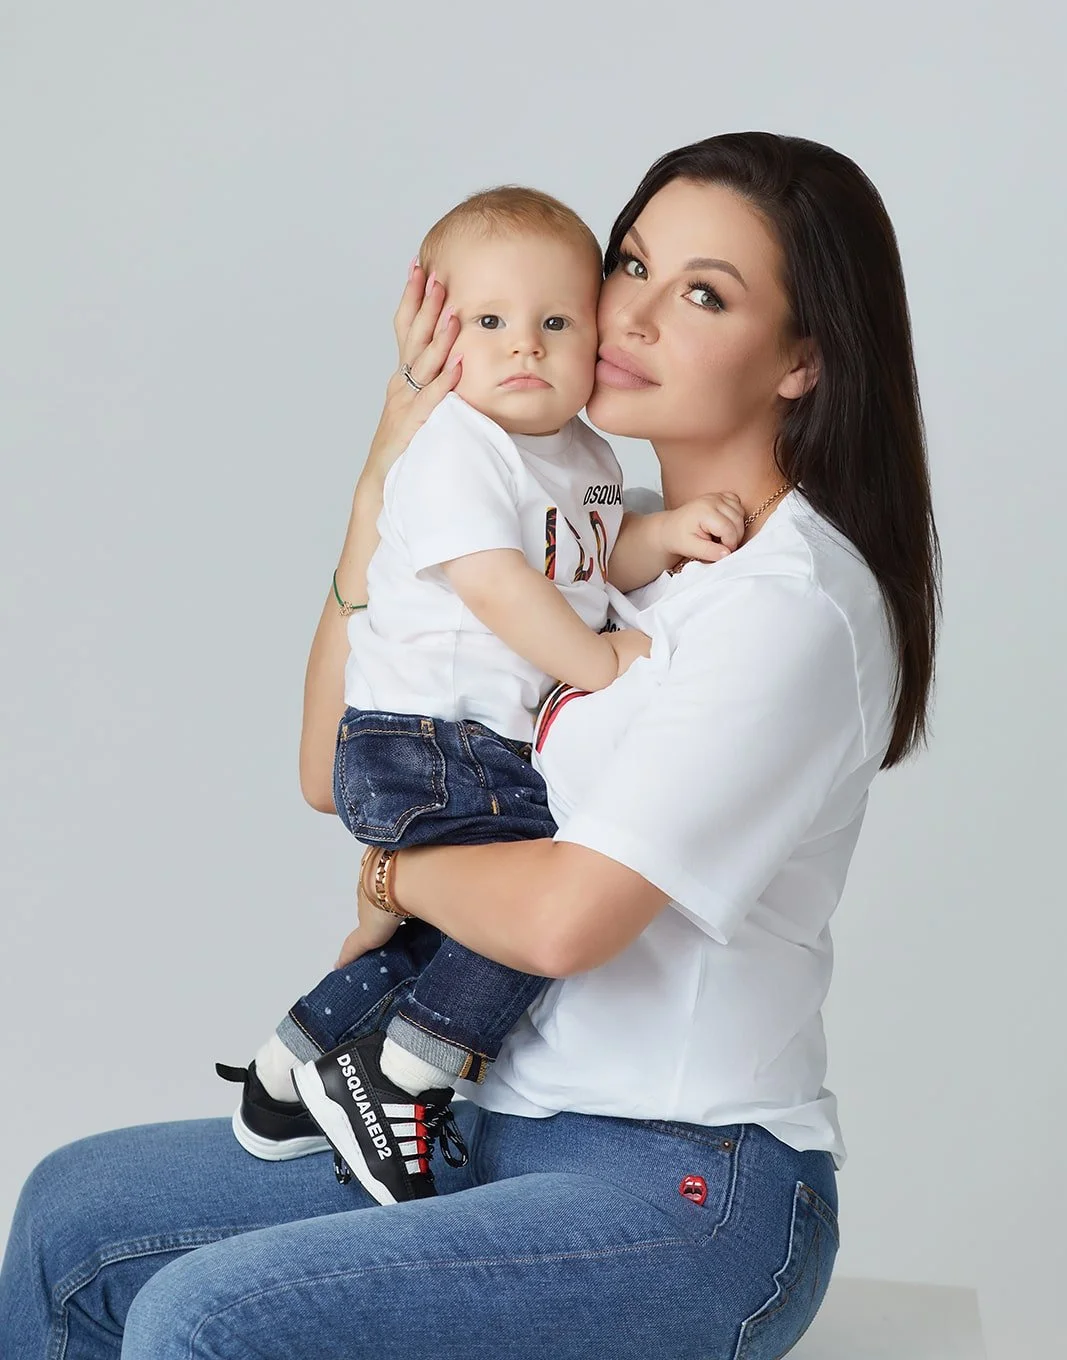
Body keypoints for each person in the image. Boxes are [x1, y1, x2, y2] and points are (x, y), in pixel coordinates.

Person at [0, 133, 940, 1360]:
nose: (631, 315)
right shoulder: (598, 541)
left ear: (802, 360)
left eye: (702, 293)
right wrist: (383, 483)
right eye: (631, 263)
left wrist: (390, 875)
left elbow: (562, 921)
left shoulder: (786, 604)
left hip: (689, 1179)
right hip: (491, 1117)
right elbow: (327, 763)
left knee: (205, 1319)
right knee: (75, 1215)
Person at [219, 186, 745, 1206]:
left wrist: (663, 535)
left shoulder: (587, 459)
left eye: (555, 324)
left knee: (444, 930)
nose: (525, 350)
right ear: (438, 336)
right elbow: (498, 582)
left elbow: (584, 562)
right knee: (542, 895)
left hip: (467, 745)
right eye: (490, 324)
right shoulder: (456, 445)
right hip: (425, 741)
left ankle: (298, 1060)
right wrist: (596, 667)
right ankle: (404, 1070)